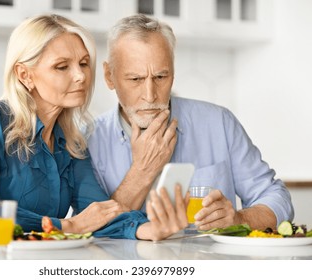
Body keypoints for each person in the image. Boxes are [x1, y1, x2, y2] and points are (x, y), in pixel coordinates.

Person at [0, 14, 188, 241]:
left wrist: (152, 229)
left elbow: (99, 214)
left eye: (83, 63)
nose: (80, 76)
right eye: (62, 66)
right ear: (25, 75)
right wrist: (66, 226)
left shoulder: (71, 142)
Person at [86, 14, 294, 231]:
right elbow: (92, 230)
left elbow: (276, 197)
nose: (150, 95)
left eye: (160, 77)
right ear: (109, 76)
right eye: (135, 79)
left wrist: (239, 219)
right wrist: (143, 170)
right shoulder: (88, 140)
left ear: (173, 73)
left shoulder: (219, 123)